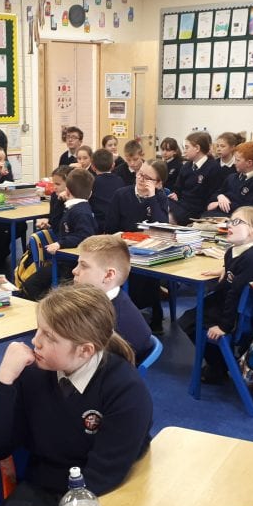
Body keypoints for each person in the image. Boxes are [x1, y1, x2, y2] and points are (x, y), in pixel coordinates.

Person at [0, 284, 152, 506]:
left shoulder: (125, 390)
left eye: (49, 337)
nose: (35, 341)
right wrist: (4, 381)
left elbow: (104, 475)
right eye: (38, 329)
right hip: (42, 492)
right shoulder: (33, 373)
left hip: (103, 492)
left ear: (85, 350)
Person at [178, 206, 253, 384]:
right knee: (194, 314)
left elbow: (235, 294)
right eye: (230, 220)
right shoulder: (236, 251)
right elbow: (234, 280)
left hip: (242, 317)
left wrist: (224, 327)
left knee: (190, 321)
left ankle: (219, 365)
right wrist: (226, 270)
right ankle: (221, 363)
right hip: (234, 306)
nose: (229, 224)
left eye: (237, 222)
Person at [104, 160, 170, 333]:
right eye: (140, 174)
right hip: (123, 248)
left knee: (150, 271)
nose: (141, 179)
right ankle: (126, 314)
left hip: (150, 250)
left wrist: (152, 198)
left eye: (147, 178)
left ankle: (154, 313)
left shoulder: (160, 197)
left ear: (158, 183)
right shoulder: (121, 195)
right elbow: (110, 228)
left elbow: (162, 227)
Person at [72, 235, 153, 362]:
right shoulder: (97, 303)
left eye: (84, 266)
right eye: (78, 264)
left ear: (108, 275)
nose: (74, 271)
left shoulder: (113, 327)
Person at [21, 169, 96, 301]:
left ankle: (46, 307)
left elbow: (84, 236)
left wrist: (60, 243)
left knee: (31, 285)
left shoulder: (81, 212)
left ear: (67, 191)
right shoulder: (73, 208)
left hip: (69, 264)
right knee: (32, 284)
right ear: (90, 194)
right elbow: (56, 222)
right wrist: (60, 201)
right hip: (64, 261)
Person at [168, 131, 221, 225]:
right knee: (157, 203)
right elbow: (178, 188)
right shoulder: (186, 166)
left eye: (187, 147)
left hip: (197, 209)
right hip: (182, 204)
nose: (184, 151)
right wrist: (175, 194)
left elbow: (213, 194)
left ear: (197, 148)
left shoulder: (213, 167)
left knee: (167, 216)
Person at [205, 141, 253, 217]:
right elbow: (216, 194)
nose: (234, 163)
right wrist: (220, 196)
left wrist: (218, 204)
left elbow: (246, 208)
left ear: (249, 163)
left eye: (237, 160)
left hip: (236, 217)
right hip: (217, 214)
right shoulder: (232, 177)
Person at [88, 149, 124, 232]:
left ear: (93, 167)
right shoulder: (120, 180)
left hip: (98, 225)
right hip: (117, 224)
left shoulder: (92, 182)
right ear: (113, 165)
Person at [35, 165, 72, 235]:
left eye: (58, 184)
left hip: (67, 236)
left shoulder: (73, 199)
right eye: (53, 184)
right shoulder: (54, 195)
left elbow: (67, 226)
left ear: (69, 184)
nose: (54, 187)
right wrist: (47, 222)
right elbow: (53, 219)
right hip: (57, 232)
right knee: (35, 237)